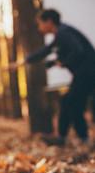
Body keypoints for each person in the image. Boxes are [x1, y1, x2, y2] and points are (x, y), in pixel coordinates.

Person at [9, 9, 95, 146]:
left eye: (40, 23)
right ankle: (61, 137)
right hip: (85, 73)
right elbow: (45, 51)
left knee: (72, 102)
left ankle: (83, 138)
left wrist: (64, 62)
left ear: (49, 22)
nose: (39, 28)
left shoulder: (64, 33)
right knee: (67, 100)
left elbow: (77, 50)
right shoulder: (62, 33)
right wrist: (21, 63)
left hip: (88, 73)